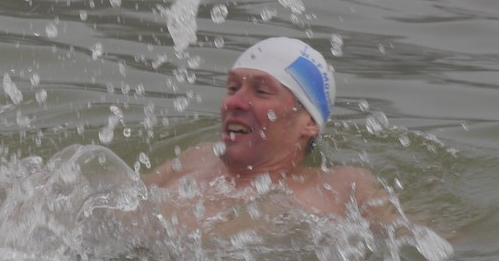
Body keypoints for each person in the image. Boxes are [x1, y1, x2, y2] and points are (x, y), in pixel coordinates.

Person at [144, 37, 393, 224]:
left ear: (309, 122)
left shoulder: (340, 188)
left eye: (261, 91)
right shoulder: (196, 158)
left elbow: (407, 236)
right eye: (233, 88)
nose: (234, 102)